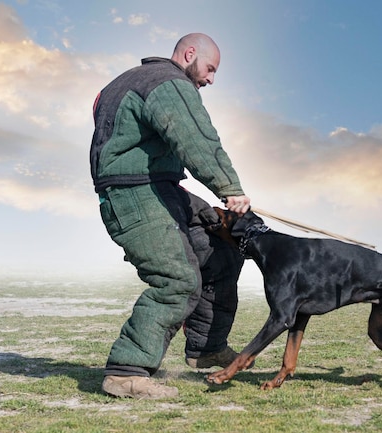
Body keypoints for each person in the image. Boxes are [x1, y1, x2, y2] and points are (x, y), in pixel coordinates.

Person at [90, 33, 251, 399]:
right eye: (210, 68)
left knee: (221, 252)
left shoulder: (126, 81)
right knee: (176, 279)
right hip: (137, 192)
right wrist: (230, 189)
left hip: (161, 186)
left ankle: (206, 347)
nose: (211, 79)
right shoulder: (168, 83)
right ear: (190, 54)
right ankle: (126, 371)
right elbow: (195, 137)